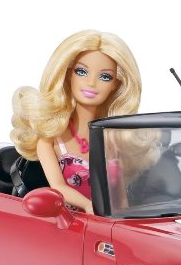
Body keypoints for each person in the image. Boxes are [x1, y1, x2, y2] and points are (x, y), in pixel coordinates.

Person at [10, 30, 142, 213]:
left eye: (105, 77)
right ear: (68, 75)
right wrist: (88, 205)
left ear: (115, 85)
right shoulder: (50, 139)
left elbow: (120, 197)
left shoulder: (114, 139)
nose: (91, 83)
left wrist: (124, 216)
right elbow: (58, 187)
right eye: (81, 72)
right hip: (69, 223)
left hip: (108, 223)